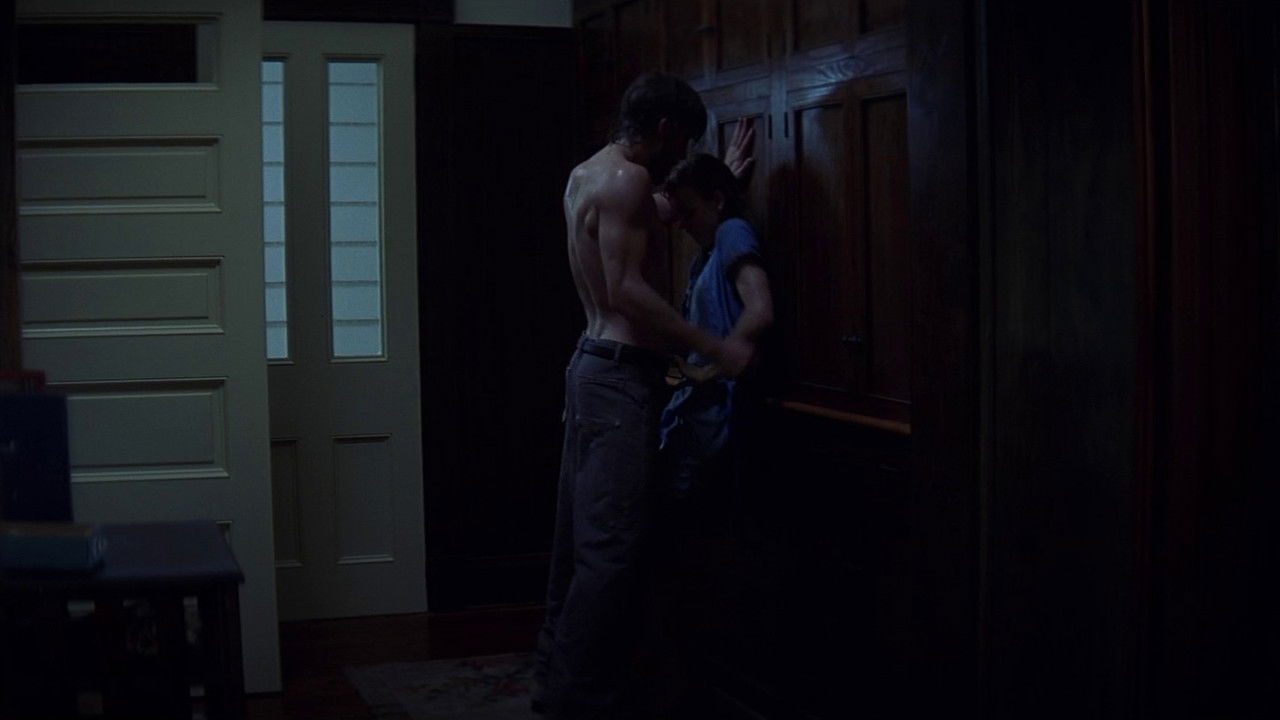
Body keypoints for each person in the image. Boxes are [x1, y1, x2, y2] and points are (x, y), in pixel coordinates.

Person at [533, 73, 754, 720]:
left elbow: (652, 216)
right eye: (683, 141)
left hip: (592, 367)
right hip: (619, 376)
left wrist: (720, 179)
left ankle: (555, 683)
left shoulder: (588, 174)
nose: (679, 153)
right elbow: (624, 289)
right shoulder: (627, 180)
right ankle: (577, 702)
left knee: (578, 544)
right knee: (611, 549)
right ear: (664, 129)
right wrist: (712, 346)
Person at [643, 153, 775, 717]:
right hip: (694, 416)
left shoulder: (732, 232)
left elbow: (760, 308)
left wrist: (722, 358)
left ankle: (684, 687)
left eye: (690, 212)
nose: (681, 224)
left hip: (712, 421)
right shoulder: (714, 237)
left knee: (686, 555)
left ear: (717, 202)